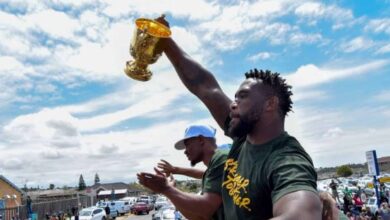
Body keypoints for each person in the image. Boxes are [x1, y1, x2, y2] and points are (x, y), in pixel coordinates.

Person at [152, 16, 322, 219]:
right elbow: (205, 87)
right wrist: (165, 41)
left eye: (243, 97)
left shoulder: (286, 159)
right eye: (234, 97)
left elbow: (302, 215)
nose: (233, 103)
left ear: (270, 104)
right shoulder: (243, 138)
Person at [138, 124, 228, 220]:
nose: (185, 151)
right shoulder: (211, 172)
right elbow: (198, 216)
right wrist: (171, 192)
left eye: (188, 144)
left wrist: (166, 189)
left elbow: (206, 209)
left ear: (201, 140)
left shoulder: (223, 157)